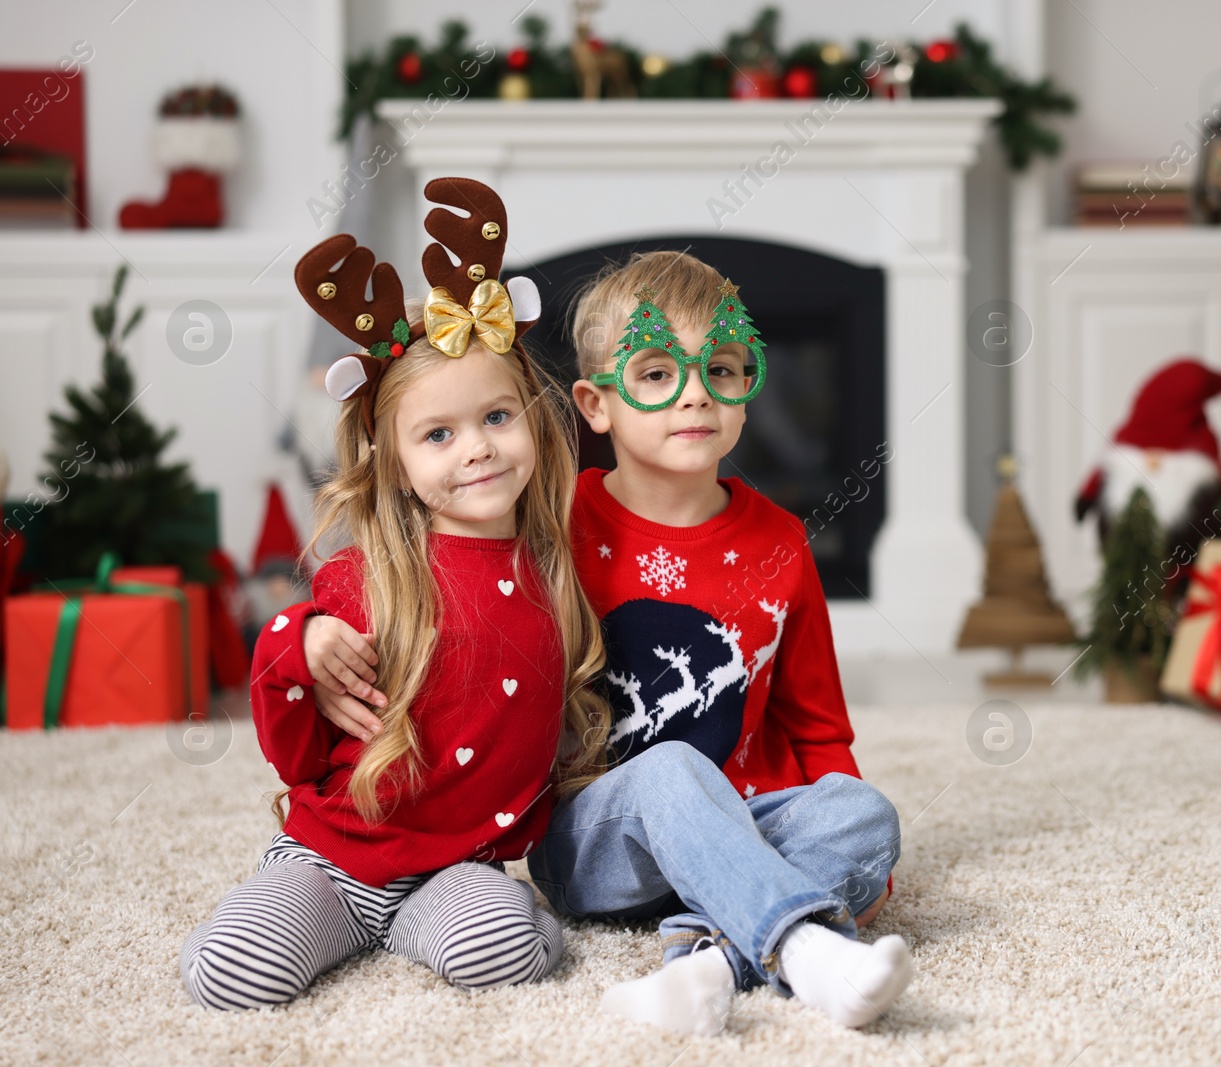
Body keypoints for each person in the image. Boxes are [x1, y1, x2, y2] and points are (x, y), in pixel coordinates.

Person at [310, 251, 909, 1034]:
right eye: (657, 374)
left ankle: (708, 962)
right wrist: (319, 630)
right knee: (668, 771)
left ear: (745, 391)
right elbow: (416, 563)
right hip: (596, 843)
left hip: (748, 828)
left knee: (865, 816)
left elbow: (819, 727)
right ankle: (804, 946)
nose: (695, 392)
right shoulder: (551, 525)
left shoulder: (782, 543)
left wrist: (864, 858)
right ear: (594, 404)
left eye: (722, 369)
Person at [180, 179, 606, 1010]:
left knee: (509, 949)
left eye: (496, 417)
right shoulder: (371, 575)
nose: (476, 450)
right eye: (438, 435)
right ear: (396, 463)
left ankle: (425, 926)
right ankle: (285, 914)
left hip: (458, 868)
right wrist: (298, 642)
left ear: (534, 416)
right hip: (335, 858)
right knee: (232, 975)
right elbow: (294, 742)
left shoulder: (557, 566)